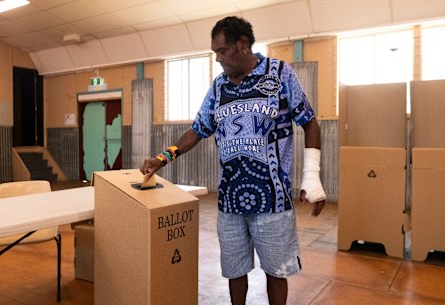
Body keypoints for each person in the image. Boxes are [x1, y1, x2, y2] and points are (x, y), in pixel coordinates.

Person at [140, 16, 326, 305]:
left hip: (272, 201)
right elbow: (198, 129)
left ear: (242, 45)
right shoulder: (219, 87)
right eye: (214, 52)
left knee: (276, 272)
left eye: (222, 51)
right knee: (234, 273)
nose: (218, 59)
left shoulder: (279, 74)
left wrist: (311, 177)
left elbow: (310, 122)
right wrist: (163, 157)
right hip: (229, 200)